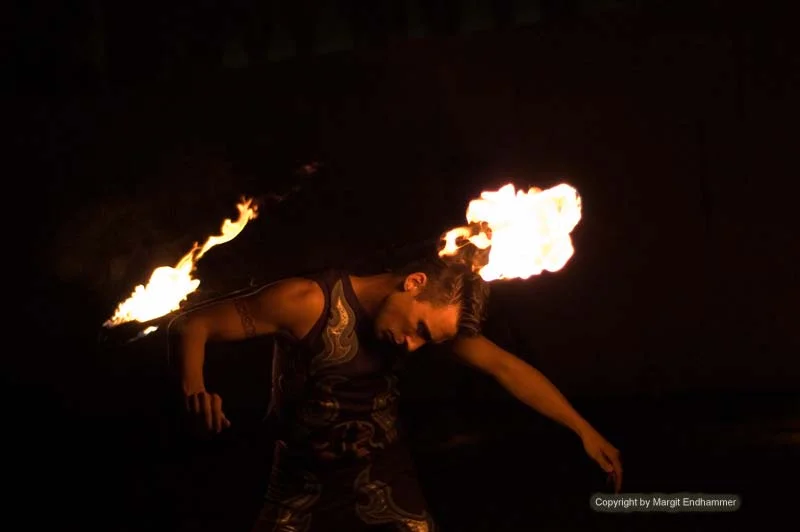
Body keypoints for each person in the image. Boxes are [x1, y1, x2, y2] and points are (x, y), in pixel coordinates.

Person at [173, 257, 623, 531]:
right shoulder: (306, 301)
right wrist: (195, 388)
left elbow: (504, 366)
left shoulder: (432, 324)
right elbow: (193, 323)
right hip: (299, 483)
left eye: (429, 341)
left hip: (383, 478)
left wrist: (582, 428)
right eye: (421, 330)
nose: (414, 346)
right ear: (413, 284)